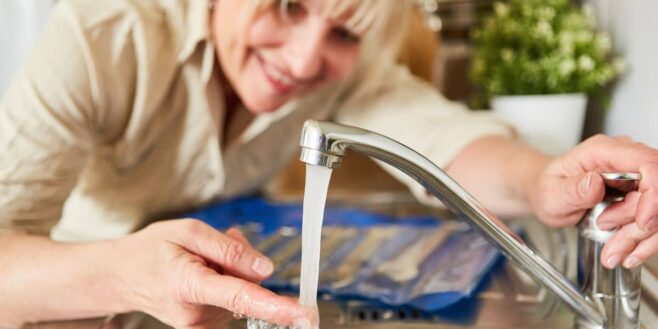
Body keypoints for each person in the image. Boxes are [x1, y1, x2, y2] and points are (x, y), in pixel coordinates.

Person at [0, 0, 657, 328]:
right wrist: (120, 274)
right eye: (287, 3)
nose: (306, 59)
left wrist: (542, 182)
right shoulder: (100, 38)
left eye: (344, 31)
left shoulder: (345, 67)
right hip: (79, 290)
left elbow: (443, 141)